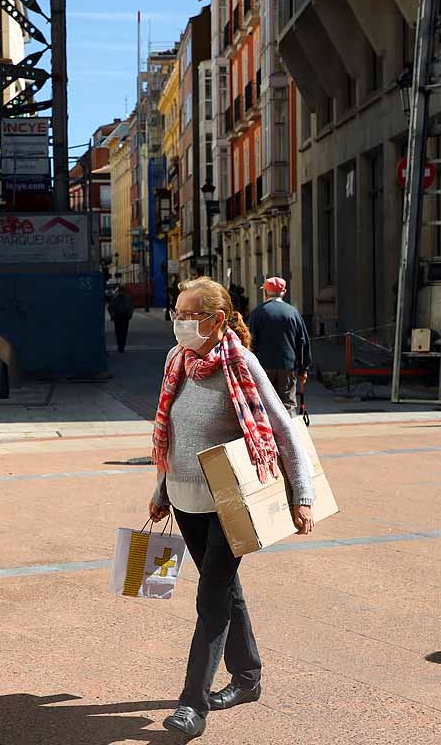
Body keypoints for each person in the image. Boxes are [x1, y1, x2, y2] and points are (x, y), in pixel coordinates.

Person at [148, 276, 315, 738]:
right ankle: (248, 677)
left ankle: (191, 706)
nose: (179, 323)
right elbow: (170, 430)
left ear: (217, 320)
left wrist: (302, 497)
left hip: (232, 502)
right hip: (185, 500)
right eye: (176, 314)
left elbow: (284, 429)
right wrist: (161, 489)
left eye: (188, 316)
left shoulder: (241, 362)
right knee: (224, 589)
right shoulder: (176, 360)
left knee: (212, 599)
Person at [247, 276, 312, 414]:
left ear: (265, 292)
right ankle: (288, 433)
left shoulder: (257, 313)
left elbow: (249, 342)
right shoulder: (293, 312)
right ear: (284, 292)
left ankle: (268, 434)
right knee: (287, 404)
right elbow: (303, 342)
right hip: (287, 365)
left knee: (264, 404)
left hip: (262, 367)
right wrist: (303, 368)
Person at [109, 286, 134, 354]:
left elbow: (110, 307)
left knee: (118, 332)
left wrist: (112, 316)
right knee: (124, 332)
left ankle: (120, 345)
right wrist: (130, 315)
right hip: (125, 317)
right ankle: (122, 345)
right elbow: (131, 307)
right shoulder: (128, 297)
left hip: (117, 317)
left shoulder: (114, 298)